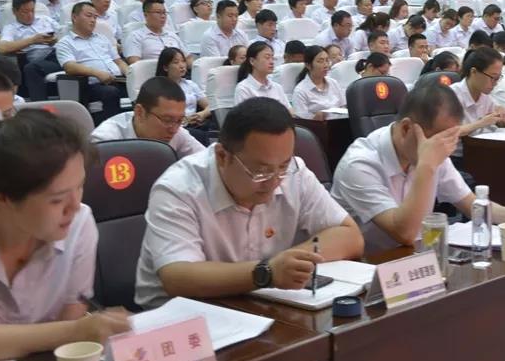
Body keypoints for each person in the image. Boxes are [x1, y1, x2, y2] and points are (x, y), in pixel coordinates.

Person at [134, 98, 363, 308]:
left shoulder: (295, 173)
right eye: (260, 171)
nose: (274, 182)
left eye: (283, 166)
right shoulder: (178, 188)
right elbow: (177, 277)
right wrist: (267, 272)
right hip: (184, 316)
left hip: (260, 303)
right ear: (222, 156)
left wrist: (289, 262)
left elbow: (349, 235)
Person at [0, 110, 130, 361]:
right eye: (57, 199)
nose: (74, 206)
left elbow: (71, 338)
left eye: (80, 187)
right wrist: (72, 332)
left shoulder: (79, 223)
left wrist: (78, 332)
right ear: (2, 197)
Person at [331, 83, 505, 251]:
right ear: (406, 128)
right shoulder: (359, 164)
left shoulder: (434, 147)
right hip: (369, 266)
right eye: (441, 140)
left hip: (415, 256)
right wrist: (427, 166)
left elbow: (471, 204)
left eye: (452, 138)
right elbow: (405, 233)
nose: (447, 149)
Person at [92, 77, 205, 155]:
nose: (174, 130)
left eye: (180, 120)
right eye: (167, 120)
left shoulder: (176, 130)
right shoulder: (105, 141)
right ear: (140, 112)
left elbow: (206, 162)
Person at [55, 2, 127, 121]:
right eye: (89, 16)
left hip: (118, 80)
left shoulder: (102, 38)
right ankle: (112, 128)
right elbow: (69, 66)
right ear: (74, 17)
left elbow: (118, 61)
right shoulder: (65, 43)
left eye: (95, 17)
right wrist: (97, 73)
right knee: (111, 92)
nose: (93, 20)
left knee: (144, 89)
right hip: (92, 85)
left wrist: (130, 73)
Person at [0, 0, 60, 101]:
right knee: (31, 69)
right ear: (15, 11)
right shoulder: (11, 28)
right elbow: (3, 48)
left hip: (59, 53)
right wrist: (32, 40)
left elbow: (63, 32)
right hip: (41, 61)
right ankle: (40, 106)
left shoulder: (45, 19)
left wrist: (55, 39)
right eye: (25, 12)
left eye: (32, 10)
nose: (30, 14)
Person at [450, 47, 505, 141]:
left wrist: (503, 120)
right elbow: (447, 132)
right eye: (493, 77)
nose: (495, 83)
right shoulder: (450, 96)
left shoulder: (487, 97)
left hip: (481, 146)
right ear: (474, 72)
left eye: (498, 78)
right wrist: (481, 123)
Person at [156, 47, 213, 139]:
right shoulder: (159, 88)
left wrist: (202, 114)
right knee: (200, 135)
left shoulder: (190, 84)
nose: (182, 66)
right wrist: (186, 120)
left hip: (195, 125)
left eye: (183, 61)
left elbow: (210, 106)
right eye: (176, 62)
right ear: (165, 67)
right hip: (176, 128)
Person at [124, 0, 188, 64]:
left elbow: (188, 57)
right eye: (158, 12)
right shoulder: (136, 36)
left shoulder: (172, 35)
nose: (163, 16)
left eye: (164, 12)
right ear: (146, 15)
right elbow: (135, 64)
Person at [292, 45, 346, 120]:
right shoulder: (300, 91)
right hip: (318, 126)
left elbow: (343, 106)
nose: (326, 65)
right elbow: (301, 121)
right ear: (308, 65)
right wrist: (315, 118)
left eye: (327, 60)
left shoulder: (333, 83)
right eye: (320, 61)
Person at [234, 41, 292, 111]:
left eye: (272, 58)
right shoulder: (243, 89)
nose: (271, 62)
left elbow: (289, 111)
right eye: (267, 57)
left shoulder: (277, 87)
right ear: (252, 61)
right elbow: (243, 116)